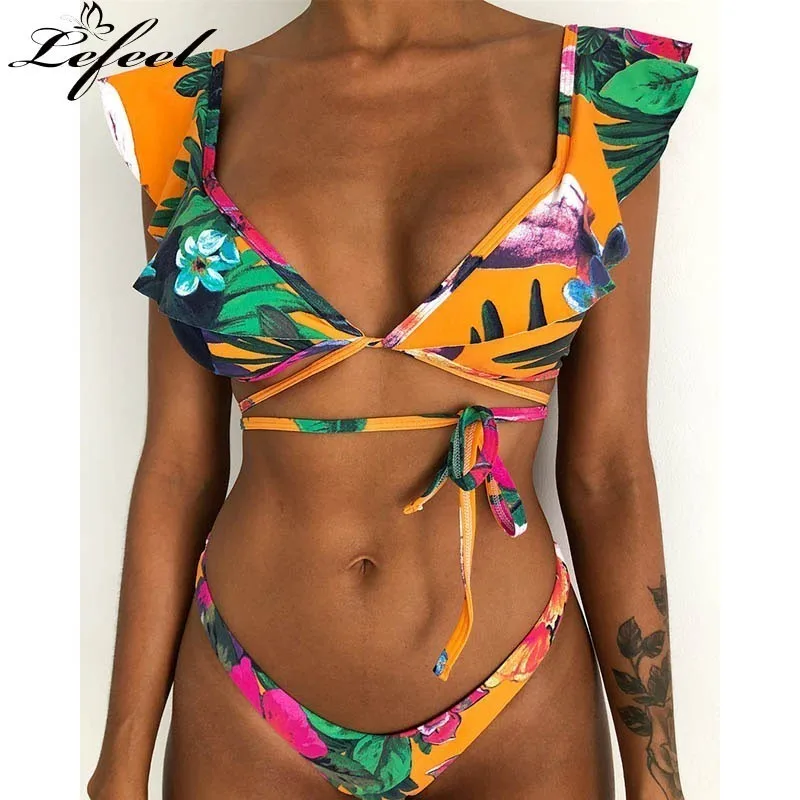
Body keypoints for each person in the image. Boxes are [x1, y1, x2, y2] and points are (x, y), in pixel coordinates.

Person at [88, 2, 698, 798]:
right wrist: (120, 761)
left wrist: (659, 781)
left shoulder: (604, 95)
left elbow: (607, 471)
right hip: (247, 713)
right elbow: (178, 466)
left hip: (518, 710)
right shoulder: (188, 114)